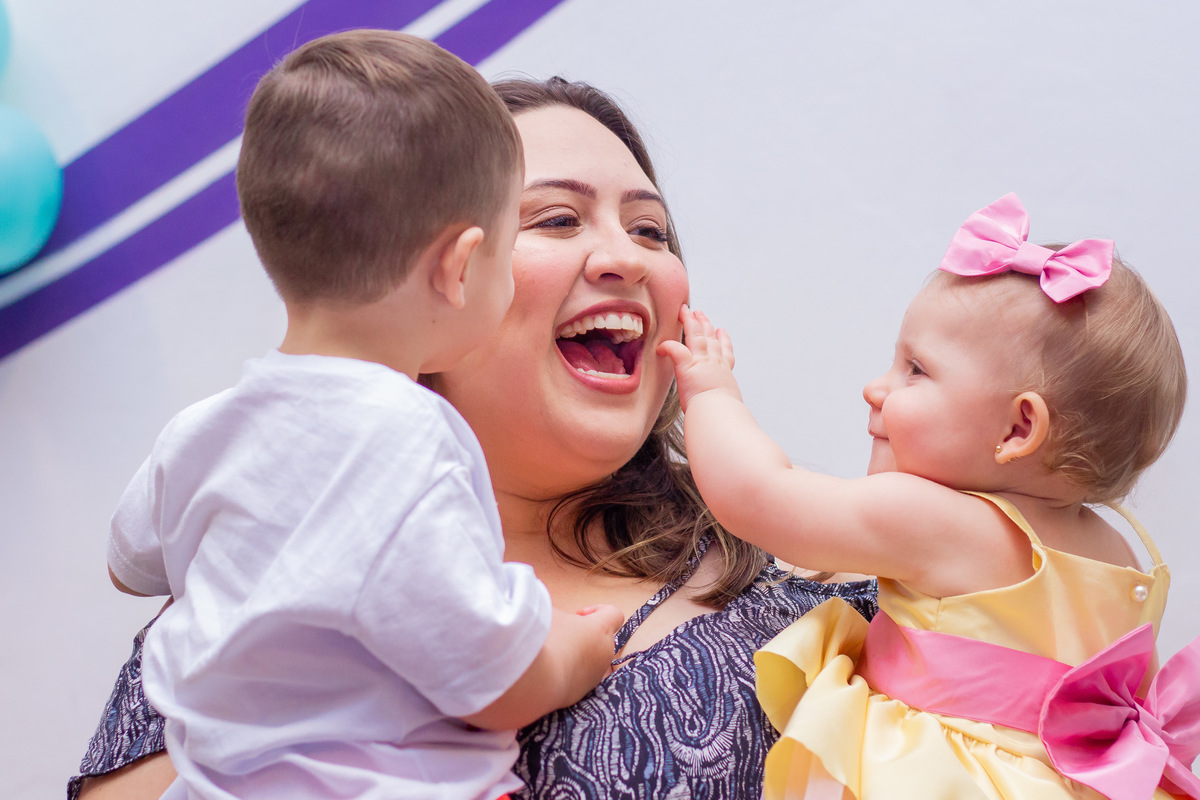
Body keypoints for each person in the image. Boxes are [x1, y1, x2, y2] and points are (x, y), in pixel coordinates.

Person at [69, 76, 877, 800]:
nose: (625, 258)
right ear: (450, 271)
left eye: (652, 232)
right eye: (557, 218)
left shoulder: (811, 597)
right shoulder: (255, 588)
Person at [101, 34, 623, 800]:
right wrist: (574, 650)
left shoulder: (199, 433)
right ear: (458, 265)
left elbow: (127, 567)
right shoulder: (408, 441)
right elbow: (490, 684)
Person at [661, 192, 1200, 798]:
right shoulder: (1121, 554)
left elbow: (760, 496)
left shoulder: (940, 523)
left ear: (1018, 429)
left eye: (915, 369)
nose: (876, 388)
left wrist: (711, 394)